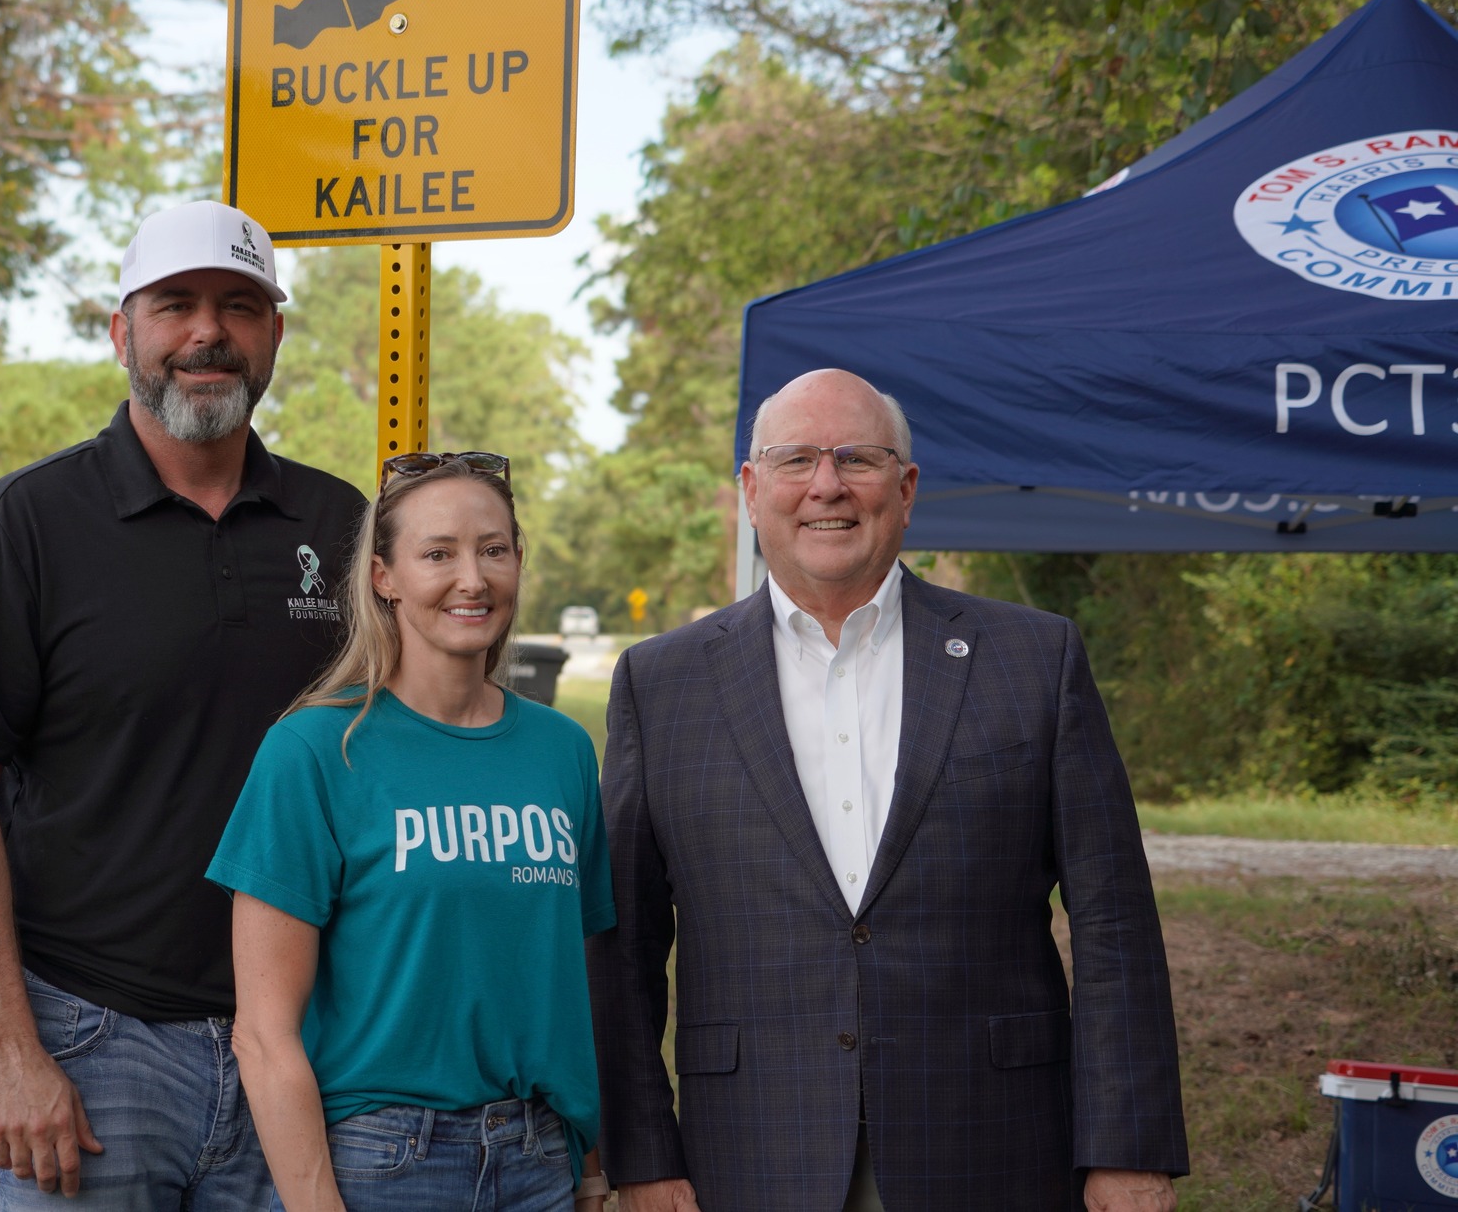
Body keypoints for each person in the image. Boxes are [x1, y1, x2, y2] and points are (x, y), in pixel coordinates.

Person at [587, 369, 1188, 1212]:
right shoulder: (661, 683)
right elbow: (623, 953)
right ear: (752, 492)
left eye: (856, 459)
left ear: (905, 491)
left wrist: (1130, 1147)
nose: (826, 485)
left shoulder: (1033, 660)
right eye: (795, 460)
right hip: (751, 1151)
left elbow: (1114, 919)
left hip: (995, 1146)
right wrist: (642, 1156)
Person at [0, 200, 366, 1210]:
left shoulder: (341, 524)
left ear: (274, 334)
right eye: (175, 305)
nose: (208, 332)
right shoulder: (29, 523)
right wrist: (8, 1051)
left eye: (240, 307)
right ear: (122, 331)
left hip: (302, 1044)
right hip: (92, 1042)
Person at [206, 452, 615, 1212]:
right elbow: (264, 1037)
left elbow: (573, 987)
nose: (472, 578)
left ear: (519, 563)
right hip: (386, 1162)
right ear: (384, 577)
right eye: (438, 554)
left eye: (493, 550)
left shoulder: (563, 752)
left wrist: (589, 1163)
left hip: (537, 1160)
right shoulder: (314, 752)